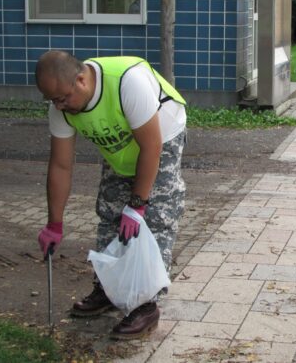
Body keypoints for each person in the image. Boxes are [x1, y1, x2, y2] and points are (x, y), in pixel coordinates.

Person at [35, 51, 187, 339]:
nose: (59, 106)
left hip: (161, 136)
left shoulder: (127, 83)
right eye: (53, 100)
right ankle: (108, 289)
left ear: (81, 80)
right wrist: (54, 223)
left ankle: (146, 304)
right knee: (109, 213)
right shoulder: (62, 106)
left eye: (63, 98)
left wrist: (138, 204)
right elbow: (61, 164)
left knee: (155, 219)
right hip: (119, 144)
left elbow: (151, 147)